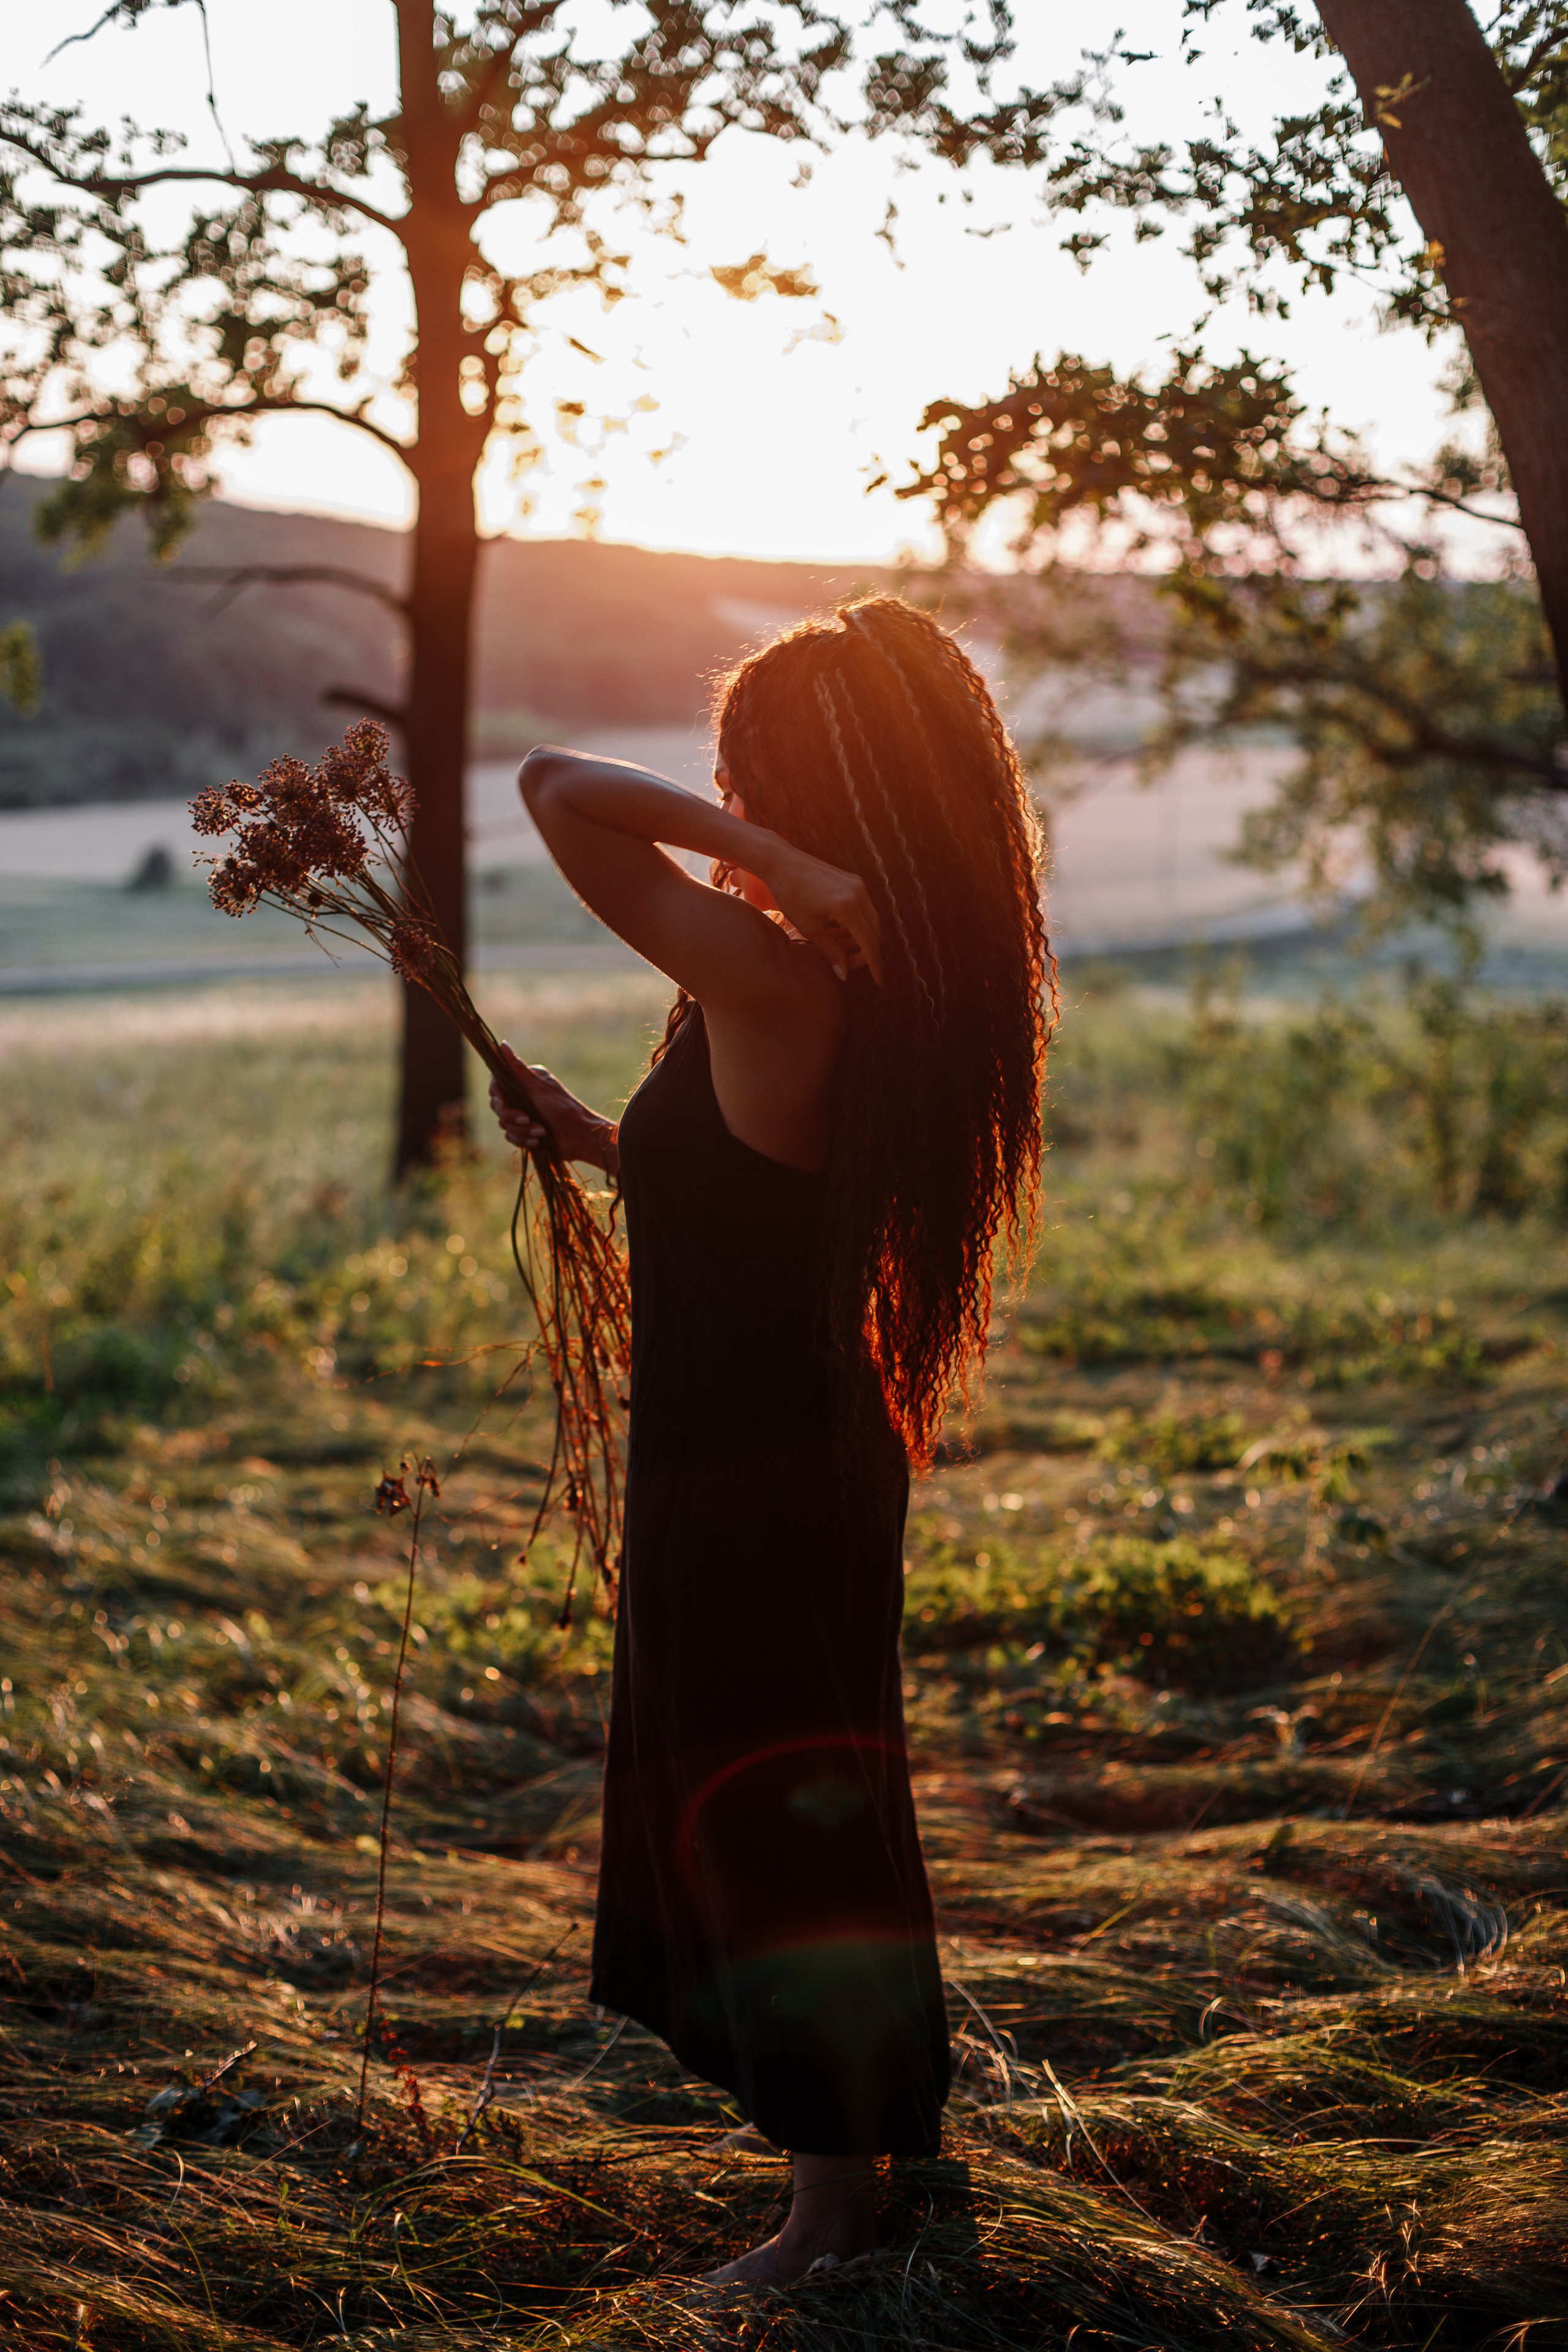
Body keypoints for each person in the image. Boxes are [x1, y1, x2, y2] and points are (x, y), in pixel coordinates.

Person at [488, 595, 1051, 2285]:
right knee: (810, 1792)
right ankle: (862, 2160)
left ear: (808, 794)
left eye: (747, 779)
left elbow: (552, 786)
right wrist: (607, 1146)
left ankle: (829, 2213)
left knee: (774, 1811)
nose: (721, 803)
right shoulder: (871, 981)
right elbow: (768, 1199)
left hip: (748, 1467)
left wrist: (778, 868)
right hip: (789, 1444)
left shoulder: (783, 958)